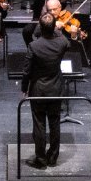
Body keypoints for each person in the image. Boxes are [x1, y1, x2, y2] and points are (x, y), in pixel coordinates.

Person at [21, 13, 69, 169]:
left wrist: (24, 88)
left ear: (40, 28)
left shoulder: (34, 46)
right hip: (56, 87)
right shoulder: (62, 42)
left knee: (39, 124)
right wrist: (58, 30)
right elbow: (66, 41)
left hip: (39, 90)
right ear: (54, 26)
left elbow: (27, 71)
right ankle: (53, 157)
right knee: (55, 123)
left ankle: (40, 160)